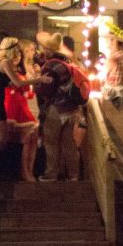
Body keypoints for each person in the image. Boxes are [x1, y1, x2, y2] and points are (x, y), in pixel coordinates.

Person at [0, 37, 52, 163]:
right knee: (1, 140)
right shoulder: (5, 62)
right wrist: (40, 79)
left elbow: (5, 82)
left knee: (2, 139)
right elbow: (19, 83)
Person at [36, 31, 82, 182]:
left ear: (49, 50)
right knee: (69, 143)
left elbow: (45, 90)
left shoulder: (50, 65)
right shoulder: (67, 63)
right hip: (72, 109)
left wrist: (36, 83)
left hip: (57, 109)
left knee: (51, 141)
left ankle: (51, 174)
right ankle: (74, 175)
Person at [103, 36, 123, 108]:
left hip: (112, 95)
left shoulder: (114, 57)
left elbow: (103, 76)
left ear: (113, 41)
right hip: (121, 93)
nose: (106, 42)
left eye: (107, 39)